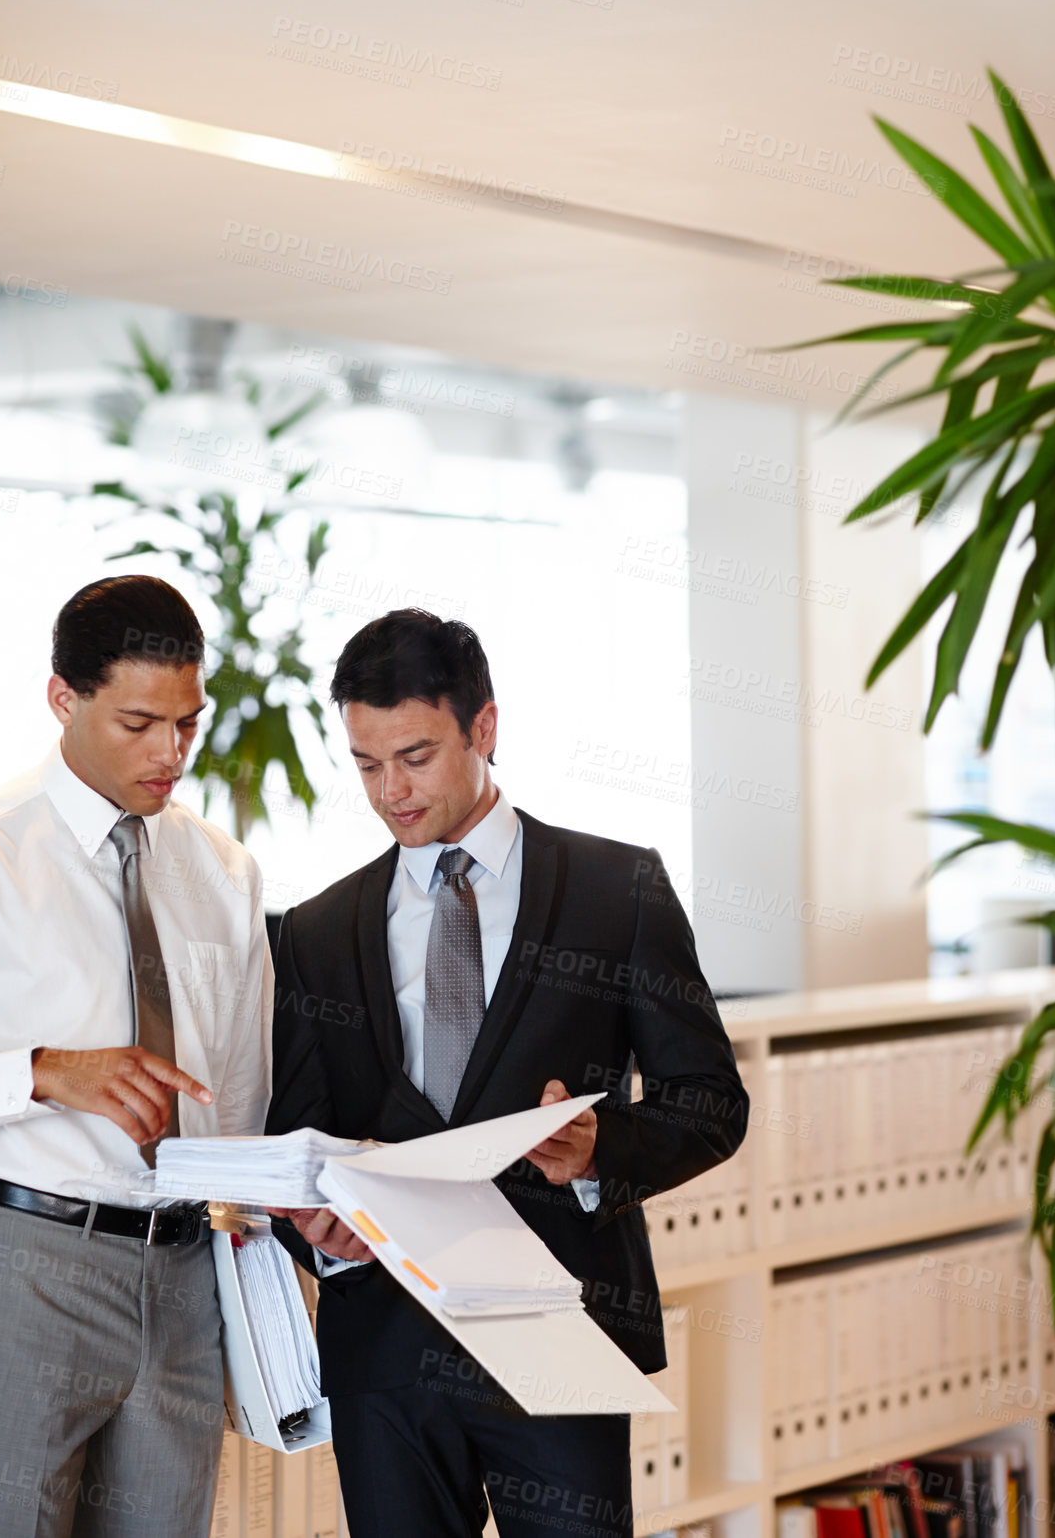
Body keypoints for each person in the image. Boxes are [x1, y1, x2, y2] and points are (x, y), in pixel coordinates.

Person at [267, 609, 748, 1538]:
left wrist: (605, 1145)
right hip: (386, 1358)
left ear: (483, 729)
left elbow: (710, 1103)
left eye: (415, 755)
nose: (391, 792)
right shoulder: (316, 930)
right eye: (366, 765)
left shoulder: (620, 889)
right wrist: (320, 1237)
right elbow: (303, 1134)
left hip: (558, 1337)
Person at [0, 575, 273, 1538]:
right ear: (62, 699)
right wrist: (42, 1070)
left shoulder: (224, 873)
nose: (171, 753)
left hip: (185, 1270)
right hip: (26, 1266)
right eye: (138, 722)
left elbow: (239, 1104)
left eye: (189, 723)